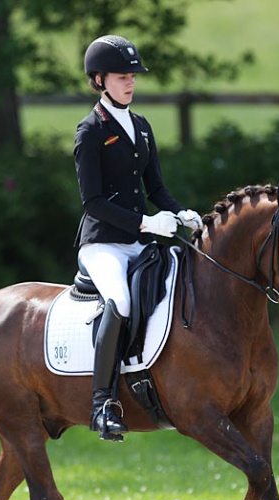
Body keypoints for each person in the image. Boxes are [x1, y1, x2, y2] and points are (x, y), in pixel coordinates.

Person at [74, 34, 202, 442]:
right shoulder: (90, 131)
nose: (130, 83)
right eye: (121, 76)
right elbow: (93, 202)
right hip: (103, 243)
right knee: (122, 301)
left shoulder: (142, 127)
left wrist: (180, 212)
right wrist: (147, 224)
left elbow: (156, 188)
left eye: (133, 76)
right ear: (99, 80)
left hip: (139, 239)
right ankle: (102, 403)